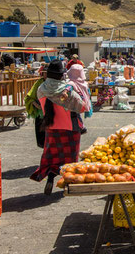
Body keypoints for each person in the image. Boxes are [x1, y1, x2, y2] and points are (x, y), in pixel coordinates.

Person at [31, 60, 86, 195]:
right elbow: (82, 107)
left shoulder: (41, 89)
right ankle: (67, 183)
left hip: (51, 127)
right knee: (69, 159)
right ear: (62, 76)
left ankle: (50, 177)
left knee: (53, 156)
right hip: (70, 129)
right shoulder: (67, 91)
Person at [66, 64, 92, 134]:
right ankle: (81, 127)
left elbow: (67, 91)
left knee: (74, 116)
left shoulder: (71, 83)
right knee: (77, 115)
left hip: (73, 104)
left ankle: (81, 128)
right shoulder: (84, 83)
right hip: (82, 103)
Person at [25, 66, 47, 148]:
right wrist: (36, 105)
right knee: (41, 138)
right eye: (45, 73)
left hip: (51, 113)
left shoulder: (54, 83)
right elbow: (29, 97)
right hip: (40, 113)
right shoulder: (39, 83)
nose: (46, 75)